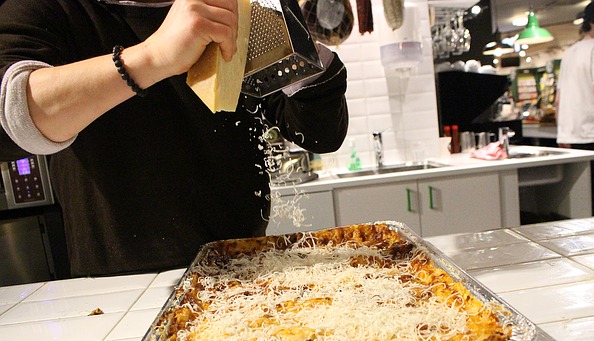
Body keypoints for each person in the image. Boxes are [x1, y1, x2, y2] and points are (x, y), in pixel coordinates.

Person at [0, 0, 348, 277]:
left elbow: (319, 132)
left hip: (245, 270)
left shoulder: (232, 5)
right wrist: (153, 57)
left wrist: (292, 35)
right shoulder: (52, 7)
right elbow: (11, 120)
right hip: (116, 287)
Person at [555, 0, 594, 215]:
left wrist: (562, 132)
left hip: (571, 136)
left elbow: (558, 99)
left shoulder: (569, 52)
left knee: (578, 204)